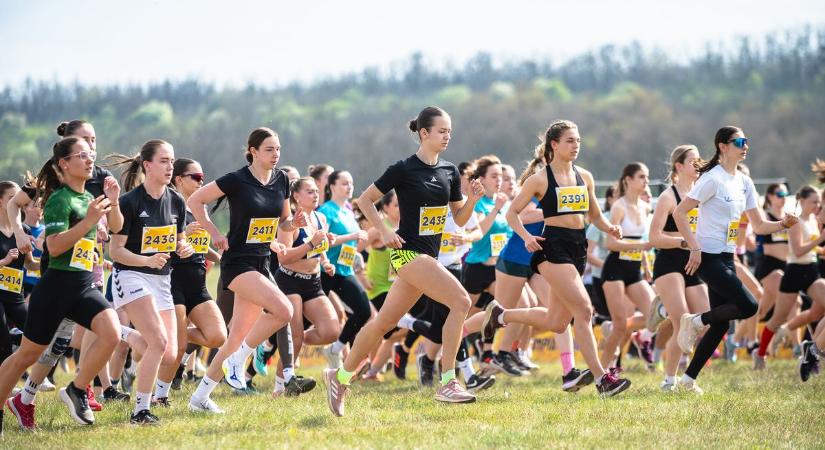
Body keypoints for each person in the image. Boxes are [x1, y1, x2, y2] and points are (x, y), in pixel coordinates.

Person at [323, 106, 484, 416]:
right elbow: (365, 200)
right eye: (441, 131)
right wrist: (384, 230)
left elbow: (460, 219)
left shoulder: (449, 172)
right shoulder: (403, 169)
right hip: (408, 254)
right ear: (423, 134)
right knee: (461, 302)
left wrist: (473, 200)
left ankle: (340, 377)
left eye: (449, 131)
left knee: (383, 322)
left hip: (428, 257)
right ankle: (449, 381)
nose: (447, 136)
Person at [484, 119, 632, 396]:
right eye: (570, 141)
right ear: (554, 144)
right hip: (552, 249)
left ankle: (501, 315)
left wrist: (608, 227)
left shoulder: (584, 176)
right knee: (585, 310)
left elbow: (594, 215)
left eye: (578, 140)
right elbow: (512, 214)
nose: (576, 145)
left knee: (556, 321)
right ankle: (602, 379)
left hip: (578, 249)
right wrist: (528, 237)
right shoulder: (539, 179)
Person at [0, 137, 122, 431]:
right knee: (26, 356)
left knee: (112, 333)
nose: (90, 159)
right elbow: (54, 247)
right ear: (64, 164)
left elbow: (108, 230)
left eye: (91, 154)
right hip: (55, 289)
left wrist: (96, 232)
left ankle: (77, 390)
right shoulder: (59, 199)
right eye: (82, 155)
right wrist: (87, 223)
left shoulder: (85, 199)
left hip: (82, 287)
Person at [186, 127, 303, 413]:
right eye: (269, 149)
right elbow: (194, 200)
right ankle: (238, 360)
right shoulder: (237, 180)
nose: (275, 155)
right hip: (238, 263)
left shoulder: (282, 180)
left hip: (262, 261)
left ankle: (199, 398)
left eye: (278, 149)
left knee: (235, 336)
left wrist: (294, 224)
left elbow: (283, 222)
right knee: (283, 310)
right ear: (252, 151)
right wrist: (213, 231)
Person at [674, 126, 797, 393]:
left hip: (728, 256)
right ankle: (695, 321)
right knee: (750, 306)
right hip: (706, 257)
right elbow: (679, 213)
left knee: (722, 324)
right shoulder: (712, 179)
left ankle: (687, 381)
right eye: (740, 141)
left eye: (746, 141)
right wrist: (694, 248)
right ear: (722, 146)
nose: (745, 146)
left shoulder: (744, 181)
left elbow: (759, 225)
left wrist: (783, 224)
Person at [107, 140, 194, 424]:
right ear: (147, 165)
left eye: (172, 161)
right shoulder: (130, 202)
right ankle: (140, 410)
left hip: (161, 280)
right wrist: (145, 260)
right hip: (130, 275)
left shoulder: (177, 201)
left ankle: (117, 330)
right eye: (164, 161)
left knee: (168, 354)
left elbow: (178, 241)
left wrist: (184, 248)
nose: (171, 167)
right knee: (157, 341)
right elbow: (115, 251)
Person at [152, 158, 227, 406]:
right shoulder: (167, 205)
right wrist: (180, 236)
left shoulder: (200, 209)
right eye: (195, 176)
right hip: (172, 281)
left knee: (218, 336)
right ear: (179, 180)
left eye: (202, 176)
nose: (200, 180)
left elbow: (200, 247)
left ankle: (173, 337)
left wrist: (221, 257)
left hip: (198, 283)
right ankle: (160, 395)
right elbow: (155, 242)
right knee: (179, 344)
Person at [647, 145, 709, 391]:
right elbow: (654, 236)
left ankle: (688, 378)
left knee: (706, 320)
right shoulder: (668, 197)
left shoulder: (701, 194)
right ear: (679, 166)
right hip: (670, 261)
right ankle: (669, 380)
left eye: (699, 160)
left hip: (693, 261)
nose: (698, 165)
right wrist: (684, 241)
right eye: (692, 161)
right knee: (682, 322)